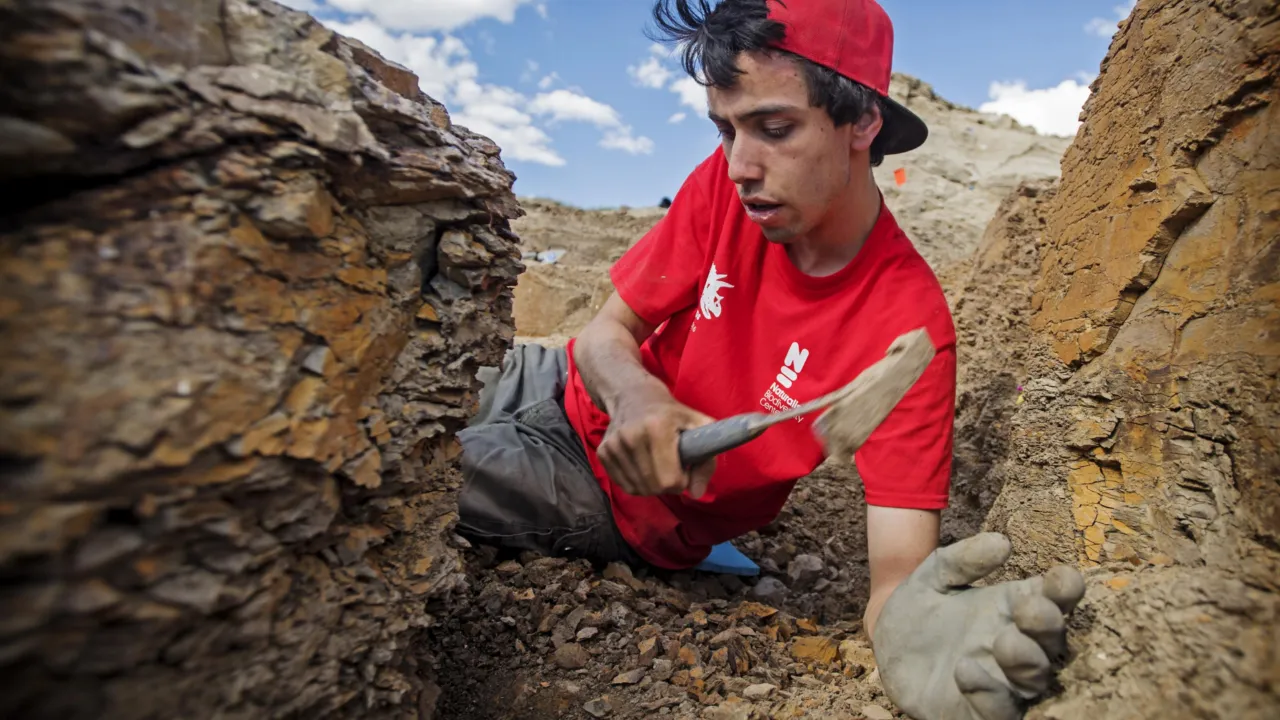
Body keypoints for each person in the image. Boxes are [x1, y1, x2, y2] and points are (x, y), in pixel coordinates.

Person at [455, 1, 1085, 718]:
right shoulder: (724, 188)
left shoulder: (907, 333)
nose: (738, 164)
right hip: (564, 379)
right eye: (725, 129)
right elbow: (606, 333)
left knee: (398, 467)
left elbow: (896, 581)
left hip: (612, 499)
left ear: (863, 123)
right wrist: (638, 398)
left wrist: (917, 632)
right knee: (406, 383)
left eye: (774, 128)